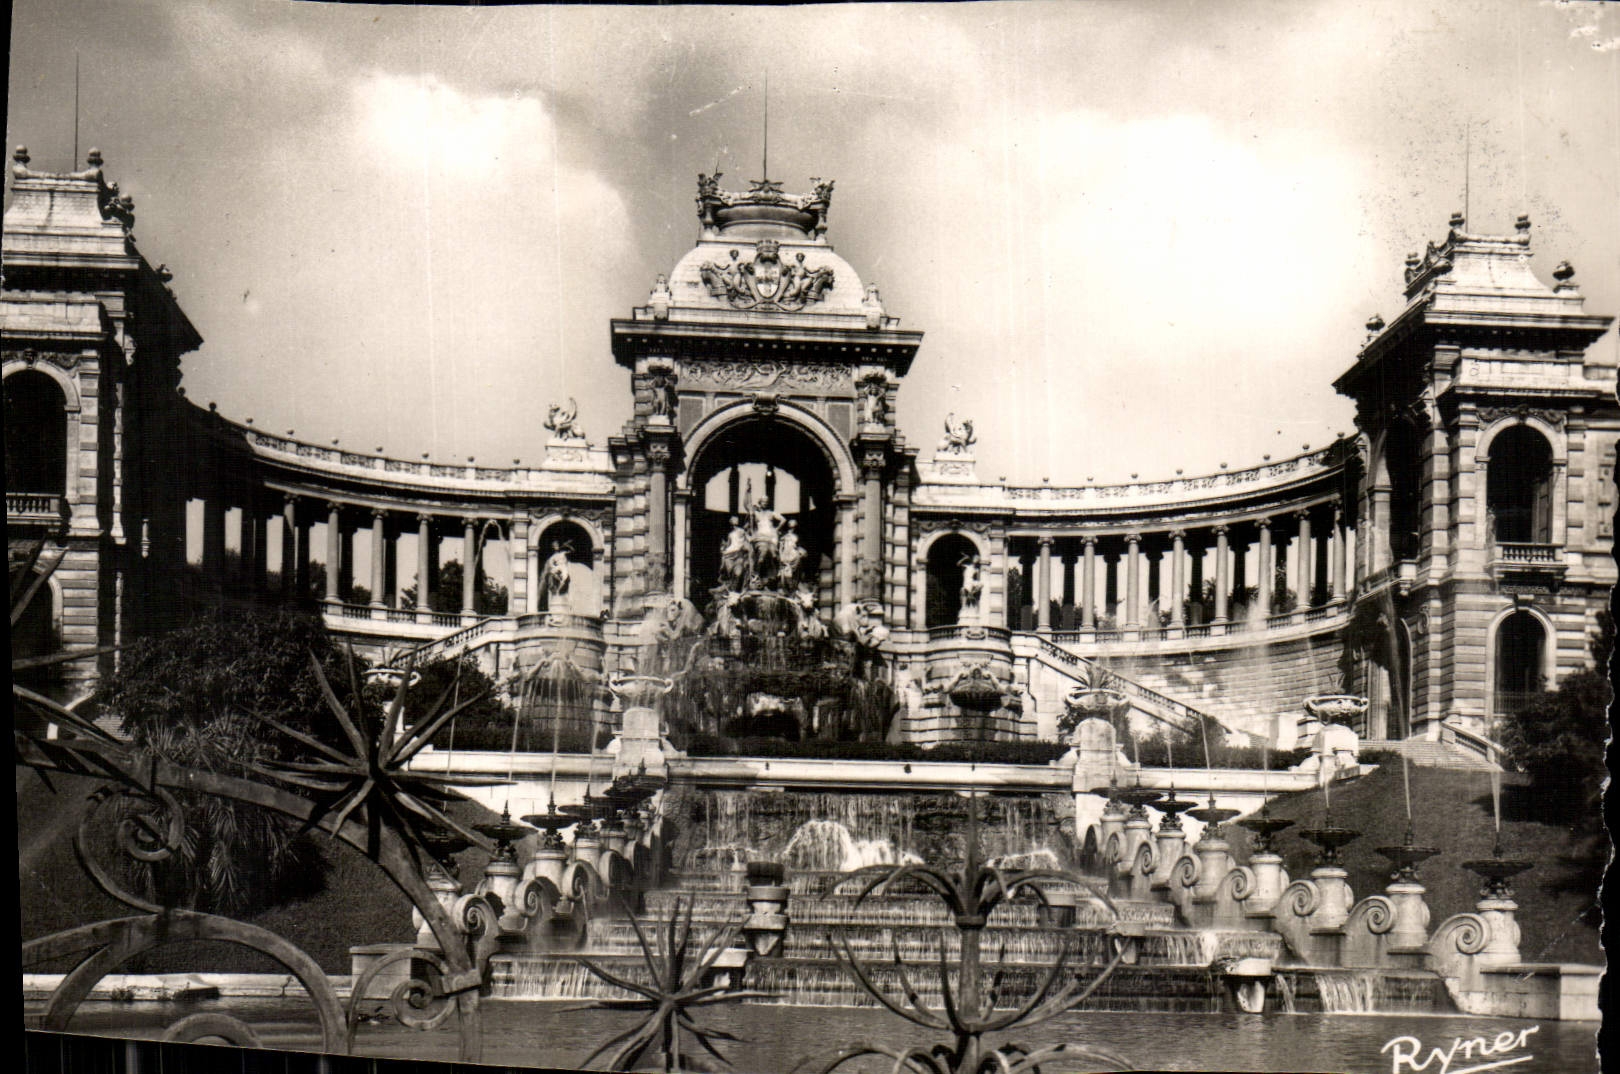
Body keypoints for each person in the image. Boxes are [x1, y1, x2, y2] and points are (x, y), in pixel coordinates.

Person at [720, 516, 752, 591]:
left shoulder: (741, 531)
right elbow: (729, 544)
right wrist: (723, 548)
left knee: (738, 573)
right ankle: (731, 589)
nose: (735, 521)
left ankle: (736, 589)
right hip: (729, 554)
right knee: (731, 572)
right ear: (731, 522)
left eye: (736, 520)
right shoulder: (730, 534)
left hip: (738, 553)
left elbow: (749, 538)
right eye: (734, 520)